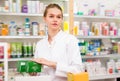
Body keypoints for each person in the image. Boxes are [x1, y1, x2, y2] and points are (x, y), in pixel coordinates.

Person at [32, 3, 83, 81]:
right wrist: (33, 72)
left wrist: (53, 64)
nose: (55, 19)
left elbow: (78, 70)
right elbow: (38, 71)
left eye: (58, 17)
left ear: (61, 20)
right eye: (51, 16)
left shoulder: (70, 40)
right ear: (45, 18)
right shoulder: (40, 44)